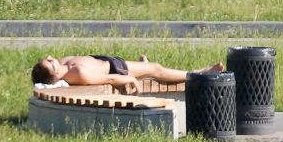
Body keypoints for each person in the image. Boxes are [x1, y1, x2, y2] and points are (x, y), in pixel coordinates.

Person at [31, 54, 223, 94]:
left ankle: (142, 69)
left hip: (109, 61)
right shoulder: (77, 73)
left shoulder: (64, 63)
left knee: (149, 69)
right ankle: (200, 74)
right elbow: (110, 78)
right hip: (117, 69)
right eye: (49, 62)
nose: (50, 57)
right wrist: (130, 78)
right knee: (156, 69)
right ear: (55, 74)